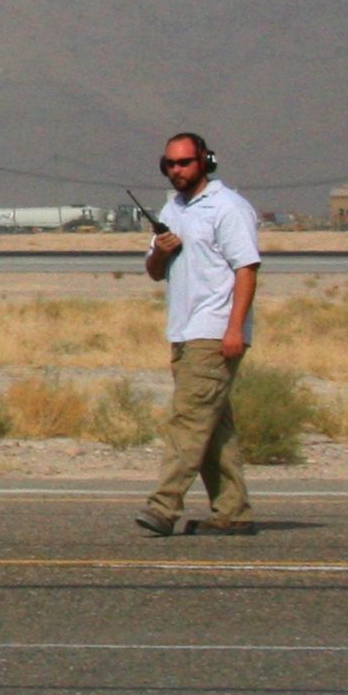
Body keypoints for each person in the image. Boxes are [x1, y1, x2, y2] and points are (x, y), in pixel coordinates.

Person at [140, 130, 263, 536]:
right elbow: (155, 273)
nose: (176, 171)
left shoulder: (226, 207)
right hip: (183, 330)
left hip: (213, 331)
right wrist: (161, 250)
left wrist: (234, 329)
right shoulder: (172, 209)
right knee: (212, 427)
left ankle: (163, 506)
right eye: (170, 164)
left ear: (205, 162)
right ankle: (232, 511)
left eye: (185, 163)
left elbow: (247, 269)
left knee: (188, 421)